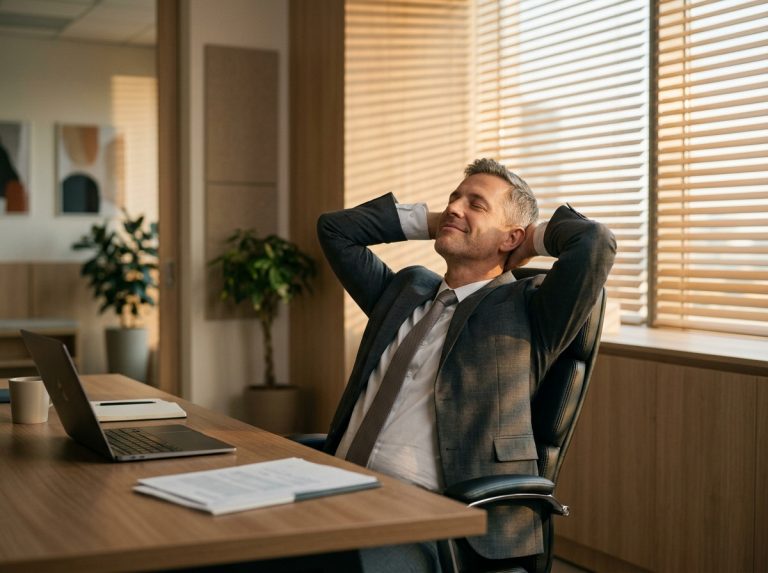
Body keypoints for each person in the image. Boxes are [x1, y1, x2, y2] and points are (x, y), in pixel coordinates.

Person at [317, 158, 616, 571]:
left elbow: (595, 242)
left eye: (477, 204)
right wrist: (443, 221)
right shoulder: (406, 291)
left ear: (511, 236)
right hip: (339, 490)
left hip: (430, 517)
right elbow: (335, 229)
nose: (455, 206)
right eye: (454, 198)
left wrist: (528, 241)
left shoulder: (529, 310)